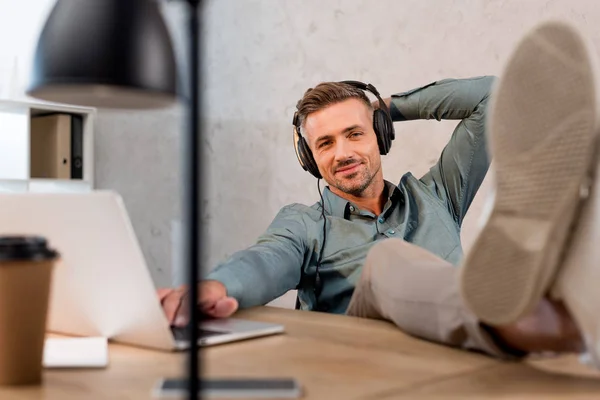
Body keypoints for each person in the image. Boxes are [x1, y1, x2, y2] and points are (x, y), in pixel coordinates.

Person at [159, 20, 599, 363]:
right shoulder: (307, 224)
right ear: (311, 159)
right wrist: (217, 284)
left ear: (379, 134)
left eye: (354, 133)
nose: (342, 152)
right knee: (386, 261)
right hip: (361, 353)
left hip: (454, 357)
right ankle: (538, 322)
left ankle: (566, 298)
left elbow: (495, 96)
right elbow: (265, 259)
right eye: (325, 144)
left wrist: (387, 107)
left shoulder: (438, 196)